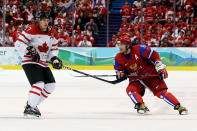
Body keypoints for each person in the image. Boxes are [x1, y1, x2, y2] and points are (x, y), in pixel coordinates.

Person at [114, 36, 188, 115]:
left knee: (161, 93)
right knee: (130, 90)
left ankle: (179, 107)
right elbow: (119, 72)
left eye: (122, 44)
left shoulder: (140, 49)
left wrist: (159, 65)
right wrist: (120, 75)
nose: (120, 46)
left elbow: (154, 55)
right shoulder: (118, 58)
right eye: (119, 44)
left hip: (150, 75)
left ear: (128, 45)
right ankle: (140, 105)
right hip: (136, 79)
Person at [15, 11, 63, 117]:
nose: (46, 22)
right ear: (39, 21)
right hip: (30, 61)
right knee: (39, 84)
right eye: (43, 20)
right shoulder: (31, 29)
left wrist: (54, 58)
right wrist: (29, 50)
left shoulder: (53, 33)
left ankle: (31, 105)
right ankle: (31, 108)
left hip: (43, 62)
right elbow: (18, 43)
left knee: (51, 86)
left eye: (47, 20)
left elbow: (53, 49)